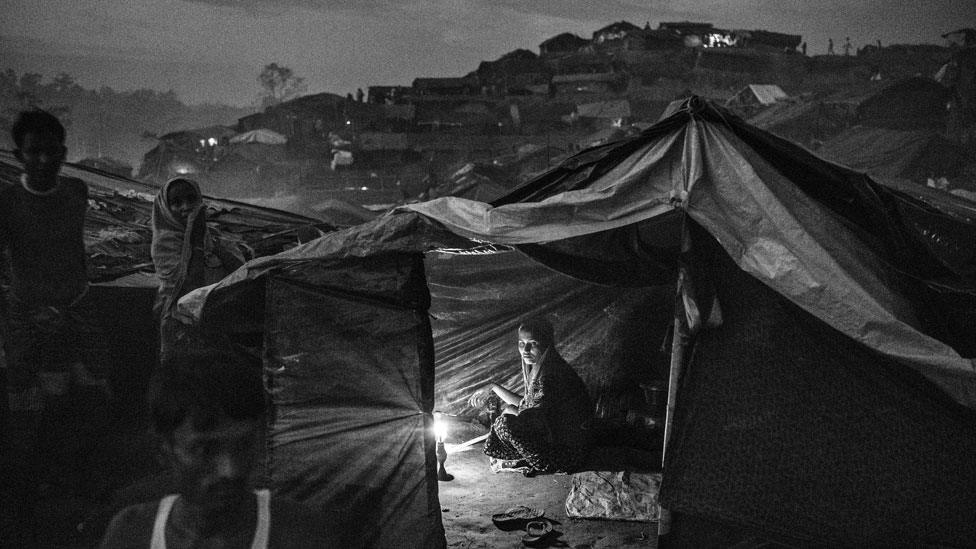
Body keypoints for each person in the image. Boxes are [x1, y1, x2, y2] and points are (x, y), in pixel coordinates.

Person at [98, 350, 340, 548]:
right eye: (205, 450)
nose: (230, 470)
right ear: (164, 451)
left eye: (244, 445)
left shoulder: (301, 535)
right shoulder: (132, 534)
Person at [480, 317, 592, 476]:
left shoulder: (550, 374)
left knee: (504, 423)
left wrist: (510, 419)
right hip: (557, 437)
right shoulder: (542, 367)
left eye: (533, 344)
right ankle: (520, 459)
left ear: (547, 344)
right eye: (521, 343)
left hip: (568, 453)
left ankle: (538, 463)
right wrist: (493, 387)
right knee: (510, 411)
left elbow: (531, 415)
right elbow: (526, 404)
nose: (525, 350)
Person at [151, 177, 244, 360]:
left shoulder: (212, 236)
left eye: (191, 199)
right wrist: (196, 241)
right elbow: (191, 289)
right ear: (165, 209)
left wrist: (211, 244)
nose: (186, 207)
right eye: (176, 203)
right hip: (183, 329)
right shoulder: (165, 243)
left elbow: (242, 273)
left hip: (216, 323)